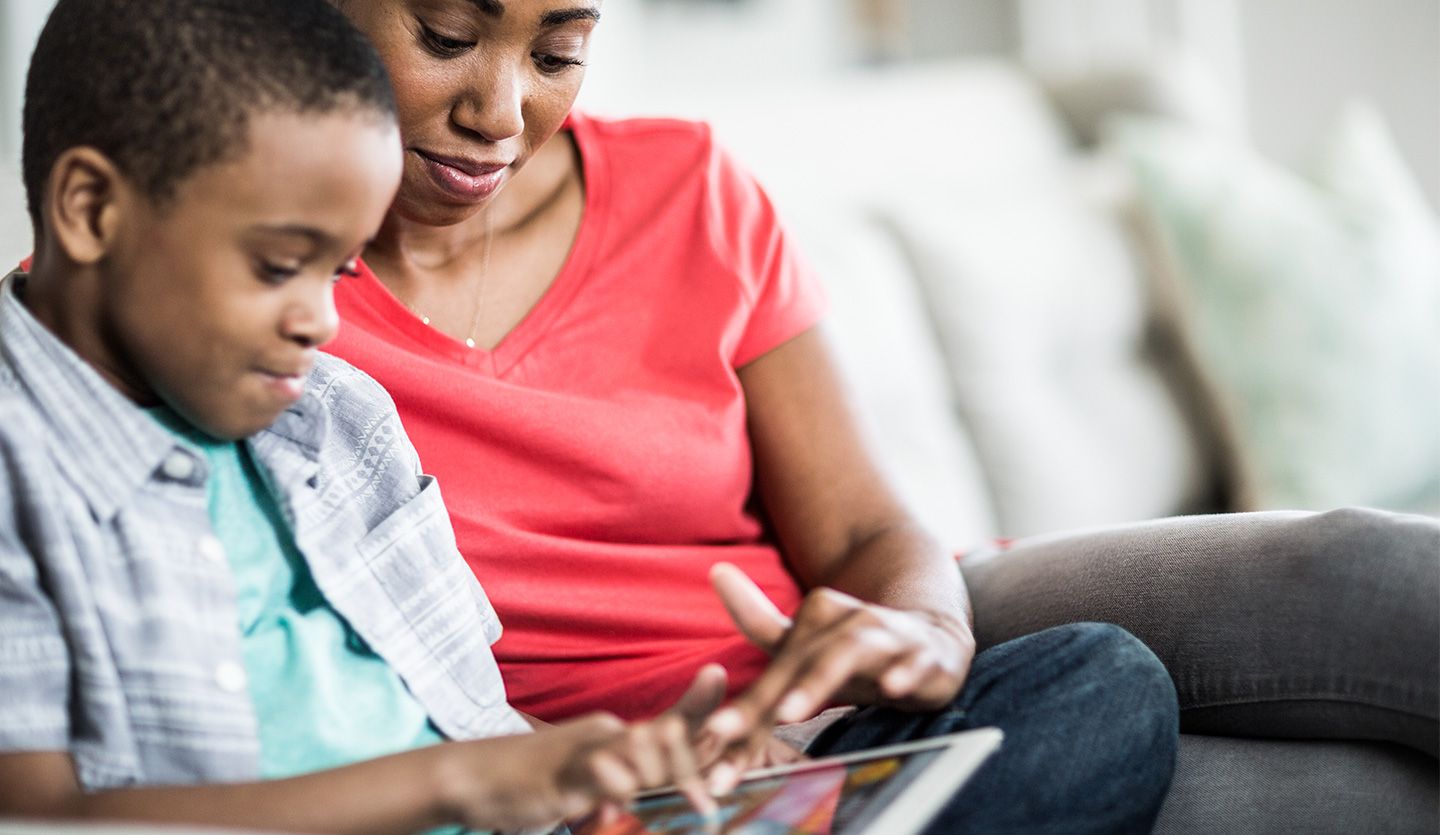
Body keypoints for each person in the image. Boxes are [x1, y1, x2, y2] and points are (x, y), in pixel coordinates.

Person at [324, 0, 1439, 821]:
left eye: (559, 51)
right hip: (631, 777)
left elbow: (862, 531)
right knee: (1322, 791)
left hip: (865, 652)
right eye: (448, 37)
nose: (503, 113)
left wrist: (923, 630)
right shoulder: (258, 284)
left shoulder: (688, 186)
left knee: (1357, 574)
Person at [0, 1, 721, 832]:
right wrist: (452, 781)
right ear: (91, 210)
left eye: (337, 272)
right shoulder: (23, 474)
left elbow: (473, 721)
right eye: (278, 266)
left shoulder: (339, 417)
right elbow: (33, 818)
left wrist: (620, 767)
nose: (323, 321)